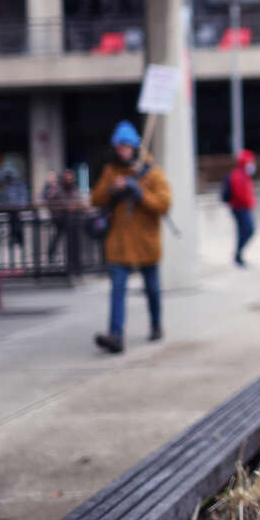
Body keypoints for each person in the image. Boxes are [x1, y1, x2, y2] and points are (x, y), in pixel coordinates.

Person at [91, 121, 172, 354]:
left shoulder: (153, 172)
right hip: (119, 241)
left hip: (146, 241)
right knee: (117, 288)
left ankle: (156, 323)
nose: (121, 151)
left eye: (126, 147)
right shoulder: (111, 171)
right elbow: (95, 199)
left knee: (152, 288)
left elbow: (164, 204)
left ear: (135, 148)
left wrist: (140, 192)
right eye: (119, 147)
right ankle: (115, 335)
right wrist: (111, 190)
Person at [224, 149, 257, 267]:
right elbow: (241, 194)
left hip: (241, 207)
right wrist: (249, 203)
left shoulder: (243, 174)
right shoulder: (239, 175)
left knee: (243, 231)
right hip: (240, 207)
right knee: (249, 230)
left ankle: (238, 256)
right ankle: (238, 254)